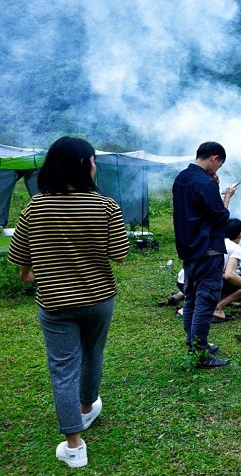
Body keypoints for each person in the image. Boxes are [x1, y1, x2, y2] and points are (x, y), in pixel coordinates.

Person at [7, 136, 129, 468]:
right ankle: (87, 407)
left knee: (63, 369)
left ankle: (74, 447)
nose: (94, 165)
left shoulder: (36, 205)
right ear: (82, 165)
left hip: (56, 303)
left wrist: (27, 271)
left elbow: (19, 255)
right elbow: (120, 254)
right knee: (93, 353)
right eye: (92, 160)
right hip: (99, 299)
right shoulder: (105, 205)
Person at [172, 141, 236, 368]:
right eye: (218, 166)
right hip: (208, 250)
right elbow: (220, 217)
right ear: (214, 158)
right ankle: (200, 353)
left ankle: (193, 342)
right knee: (206, 301)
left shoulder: (181, 178)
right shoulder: (205, 183)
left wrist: (213, 183)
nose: (217, 170)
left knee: (191, 297)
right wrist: (226, 196)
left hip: (188, 249)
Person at [176, 218, 241, 322]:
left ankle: (192, 306)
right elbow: (229, 275)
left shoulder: (211, 240)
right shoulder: (235, 247)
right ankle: (217, 307)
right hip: (200, 285)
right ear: (240, 234)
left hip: (182, 282)